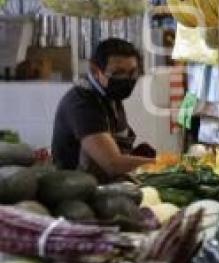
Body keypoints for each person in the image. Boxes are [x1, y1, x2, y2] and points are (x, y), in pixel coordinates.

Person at [52, 38, 155, 182]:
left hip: (106, 185)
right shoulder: (82, 103)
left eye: (132, 73)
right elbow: (112, 164)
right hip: (78, 192)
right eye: (118, 73)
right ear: (95, 71)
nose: (127, 79)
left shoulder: (111, 95)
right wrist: (168, 164)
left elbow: (119, 148)